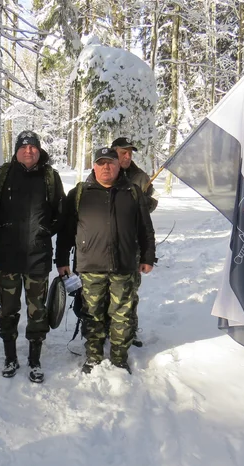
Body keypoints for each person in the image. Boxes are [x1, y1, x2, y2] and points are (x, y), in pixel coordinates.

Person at [56, 147, 155, 375]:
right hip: (90, 267)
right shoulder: (79, 193)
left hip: (125, 265)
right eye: (101, 163)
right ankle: (94, 356)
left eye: (110, 162)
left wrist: (148, 256)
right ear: (94, 166)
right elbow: (65, 231)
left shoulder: (132, 192)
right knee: (92, 314)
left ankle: (120, 358)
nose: (106, 167)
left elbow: (145, 229)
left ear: (118, 165)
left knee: (122, 315)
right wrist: (61, 259)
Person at [0, 130, 64, 383]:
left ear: (39, 151)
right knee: (7, 309)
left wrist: (44, 232)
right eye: (24, 147)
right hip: (7, 257)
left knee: (37, 310)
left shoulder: (51, 177)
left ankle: (34, 359)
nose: (28, 151)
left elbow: (59, 214)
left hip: (37, 259)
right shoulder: (3, 175)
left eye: (33, 147)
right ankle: (10, 356)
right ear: (16, 150)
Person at [111, 137, 157, 348]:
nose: (127, 156)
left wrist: (143, 201)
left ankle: (130, 329)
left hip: (132, 244)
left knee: (130, 291)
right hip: (105, 243)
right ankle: (104, 328)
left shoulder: (141, 178)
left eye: (130, 153)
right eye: (123, 152)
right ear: (114, 152)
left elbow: (146, 211)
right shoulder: (105, 169)